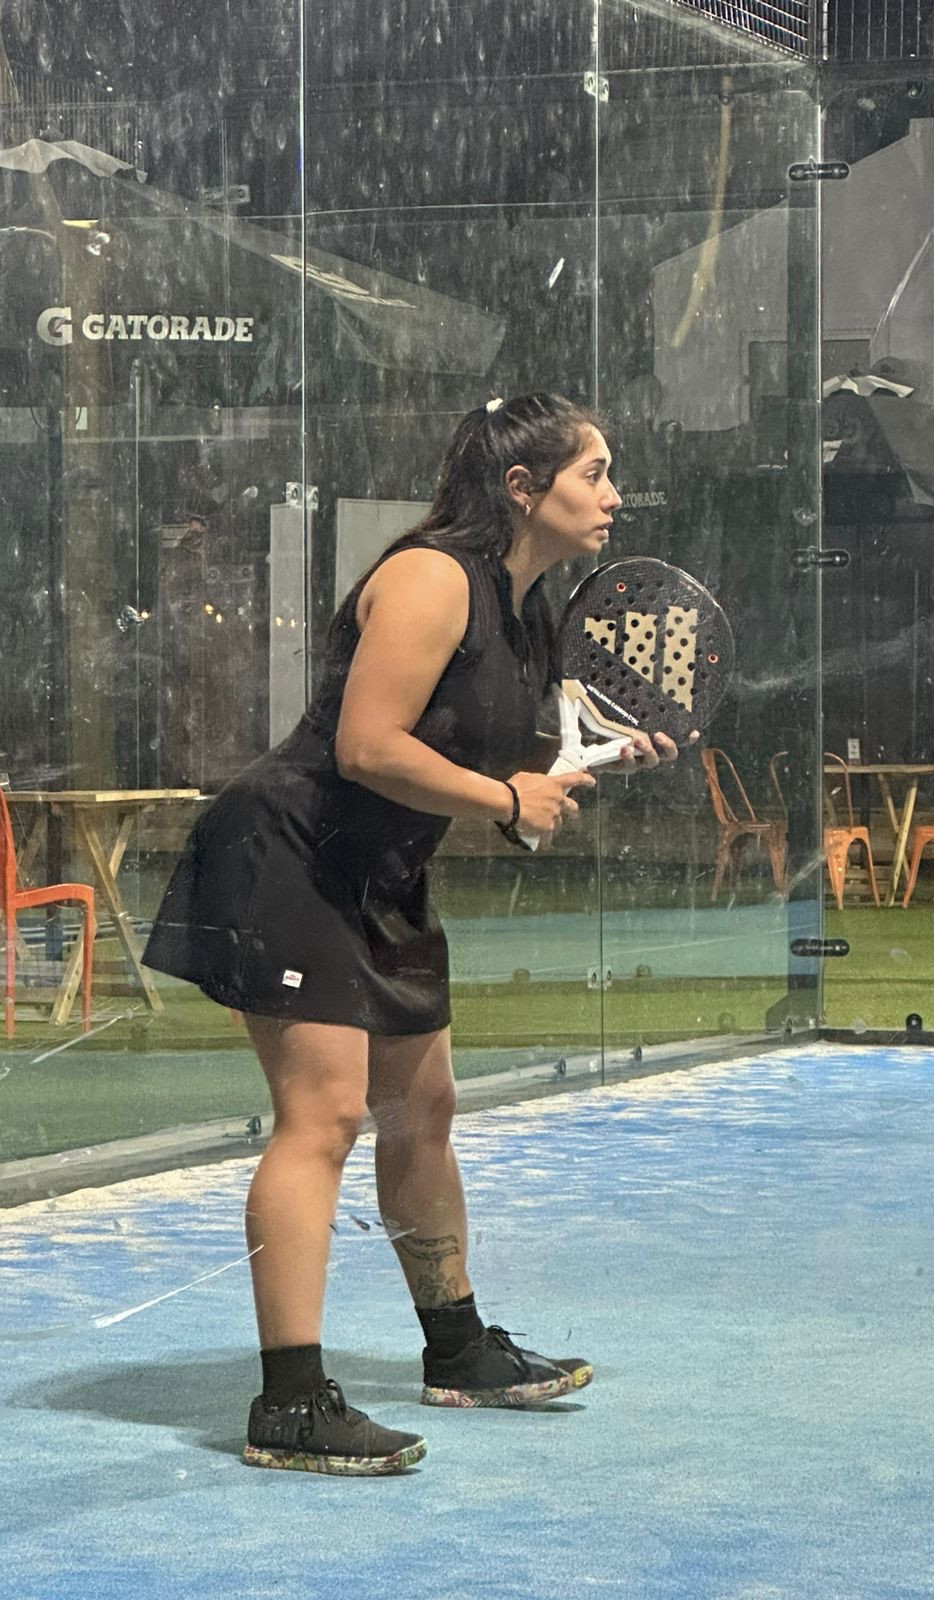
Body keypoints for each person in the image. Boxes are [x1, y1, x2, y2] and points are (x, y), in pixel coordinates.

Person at [142, 393, 682, 1476]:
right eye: (593, 473)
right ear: (523, 488)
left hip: (378, 871)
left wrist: (566, 776)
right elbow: (367, 746)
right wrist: (508, 796)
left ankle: (459, 1348)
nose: (613, 495)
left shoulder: (526, 612)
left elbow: (482, 773)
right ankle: (291, 1403)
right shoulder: (433, 578)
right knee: (326, 1115)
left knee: (421, 1109)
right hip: (289, 853)